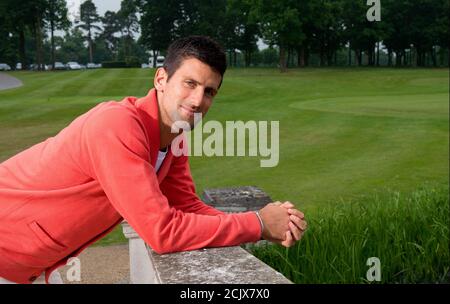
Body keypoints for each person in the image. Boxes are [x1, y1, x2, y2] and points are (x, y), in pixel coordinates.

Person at [0, 36, 307, 284]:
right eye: (190, 83)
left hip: (27, 264)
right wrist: (258, 223)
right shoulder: (117, 124)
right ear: (161, 79)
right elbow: (162, 231)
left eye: (210, 91)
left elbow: (186, 205)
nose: (199, 100)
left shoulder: (175, 136)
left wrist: (273, 221)